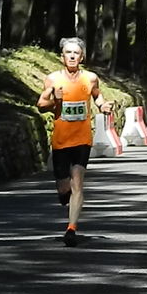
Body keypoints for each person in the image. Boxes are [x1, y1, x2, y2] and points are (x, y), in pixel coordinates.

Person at [37, 37, 113, 247]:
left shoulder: (90, 78)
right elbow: (41, 105)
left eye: (75, 53)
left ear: (82, 57)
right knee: (64, 188)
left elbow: (97, 97)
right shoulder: (52, 79)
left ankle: (71, 228)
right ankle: (64, 194)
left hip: (82, 139)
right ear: (62, 57)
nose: (72, 56)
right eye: (68, 53)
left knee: (78, 183)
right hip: (61, 139)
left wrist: (103, 106)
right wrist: (55, 99)